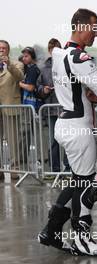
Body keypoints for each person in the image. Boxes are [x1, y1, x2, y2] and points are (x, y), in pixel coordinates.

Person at [38, 8, 97, 256]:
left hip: (66, 122)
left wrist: (86, 92)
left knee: (78, 182)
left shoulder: (60, 54)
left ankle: (51, 231)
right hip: (78, 127)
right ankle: (82, 239)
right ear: (81, 27)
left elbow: (74, 87)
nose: (96, 33)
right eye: (93, 28)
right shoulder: (79, 58)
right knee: (89, 185)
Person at [37, 38, 70, 175]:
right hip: (50, 109)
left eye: (57, 48)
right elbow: (38, 87)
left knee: (67, 141)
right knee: (53, 141)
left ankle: (68, 169)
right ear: (49, 51)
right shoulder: (44, 69)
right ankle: (54, 170)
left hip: (65, 109)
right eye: (52, 49)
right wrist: (43, 90)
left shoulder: (67, 65)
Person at [0, 40, 24, 181]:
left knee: (13, 141)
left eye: (4, 48)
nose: (1, 50)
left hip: (10, 106)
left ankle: (15, 169)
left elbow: (20, 77)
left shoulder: (16, 64)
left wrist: (8, 64)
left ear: (8, 50)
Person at [19, 47, 41, 163]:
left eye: (26, 56)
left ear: (32, 57)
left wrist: (20, 84)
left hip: (31, 104)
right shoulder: (30, 68)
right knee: (29, 133)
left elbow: (31, 87)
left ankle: (24, 159)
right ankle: (37, 158)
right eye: (23, 56)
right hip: (32, 105)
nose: (24, 58)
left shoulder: (32, 69)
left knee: (26, 133)